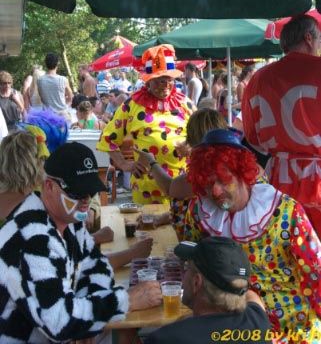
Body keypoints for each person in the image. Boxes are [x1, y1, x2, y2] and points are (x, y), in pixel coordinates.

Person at [0, 141, 162, 343]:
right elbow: (58, 322)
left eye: (90, 191)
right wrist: (125, 300)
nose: (85, 200)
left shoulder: (70, 220)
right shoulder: (33, 238)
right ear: (49, 186)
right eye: (77, 193)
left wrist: (86, 325)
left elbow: (96, 266)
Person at [184, 128, 321, 341]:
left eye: (223, 180)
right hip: (227, 323)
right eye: (209, 184)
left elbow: (315, 270)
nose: (216, 192)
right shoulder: (199, 212)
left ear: (243, 174)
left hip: (289, 324)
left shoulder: (284, 212)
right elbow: (190, 259)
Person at [97, 44, 195, 239]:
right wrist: (125, 164)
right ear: (148, 81)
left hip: (181, 186)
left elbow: (202, 136)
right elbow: (108, 138)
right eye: (159, 81)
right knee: (148, 237)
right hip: (147, 188)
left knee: (179, 239)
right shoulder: (132, 105)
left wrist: (191, 146)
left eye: (168, 80)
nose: (165, 85)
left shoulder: (185, 103)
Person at [242, 14, 321, 238]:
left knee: (287, 248)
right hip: (317, 183)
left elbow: (252, 137)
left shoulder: (259, 78)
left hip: (278, 180)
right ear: (308, 38)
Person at [145, 237, 272, 344]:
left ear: (196, 282)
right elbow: (252, 296)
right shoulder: (259, 321)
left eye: (187, 268)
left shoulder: (165, 338)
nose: (184, 274)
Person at [38, 52, 73, 118]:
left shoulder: (40, 80)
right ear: (57, 63)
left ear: (45, 64)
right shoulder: (63, 79)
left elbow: (41, 98)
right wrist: (66, 106)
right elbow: (70, 97)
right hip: (63, 115)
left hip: (47, 116)